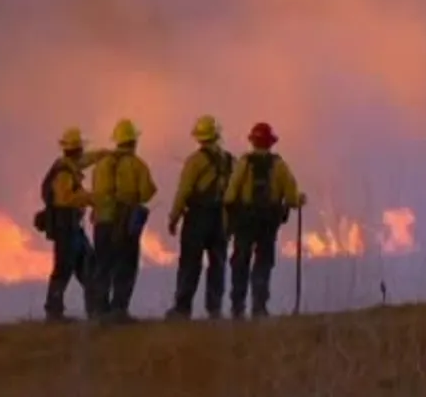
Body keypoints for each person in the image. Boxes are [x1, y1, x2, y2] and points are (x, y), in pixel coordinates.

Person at [223, 122, 305, 319]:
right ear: (270, 143)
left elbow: (230, 195)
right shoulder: (279, 166)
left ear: (253, 142)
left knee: (240, 262)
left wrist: (229, 220)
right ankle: (259, 307)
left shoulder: (244, 163)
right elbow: (292, 198)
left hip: (245, 222)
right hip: (268, 223)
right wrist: (298, 200)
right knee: (263, 263)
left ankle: (237, 307)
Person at [36, 127, 112, 321]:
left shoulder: (67, 165)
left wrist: (105, 154)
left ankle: (95, 310)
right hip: (66, 228)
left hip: (72, 228)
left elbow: (86, 160)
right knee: (64, 269)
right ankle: (54, 312)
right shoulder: (64, 173)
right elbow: (65, 198)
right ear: (78, 149)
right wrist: (90, 198)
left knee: (88, 266)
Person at [165, 115, 234, 320]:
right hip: (221, 218)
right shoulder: (230, 161)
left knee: (190, 263)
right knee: (218, 264)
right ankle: (215, 309)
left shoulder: (195, 161)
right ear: (217, 135)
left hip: (197, 218)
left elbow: (184, 191)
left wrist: (174, 218)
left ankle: (182, 308)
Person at [89, 119, 157, 322]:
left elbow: (94, 192)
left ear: (117, 141)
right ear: (134, 141)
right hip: (125, 223)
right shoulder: (138, 165)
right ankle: (119, 310)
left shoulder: (101, 164)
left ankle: (99, 310)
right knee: (126, 265)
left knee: (102, 265)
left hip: (102, 222)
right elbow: (147, 193)